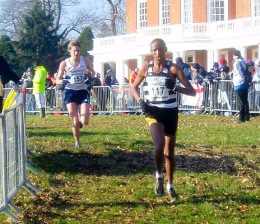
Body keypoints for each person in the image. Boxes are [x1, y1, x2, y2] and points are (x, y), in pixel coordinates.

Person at [131, 38, 196, 201]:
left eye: (160, 49)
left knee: (169, 153)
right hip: (153, 112)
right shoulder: (146, 68)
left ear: (165, 50)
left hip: (170, 112)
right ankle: (159, 175)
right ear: (151, 51)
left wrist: (176, 87)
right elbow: (133, 86)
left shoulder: (173, 68)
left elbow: (192, 91)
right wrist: (140, 102)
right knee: (159, 146)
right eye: (154, 50)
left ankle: (171, 185)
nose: (157, 53)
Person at [56, 40, 95, 148]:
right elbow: (57, 79)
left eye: (78, 50)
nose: (76, 53)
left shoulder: (85, 60)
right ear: (70, 51)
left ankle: (80, 123)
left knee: (85, 121)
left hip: (82, 91)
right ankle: (77, 142)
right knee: (74, 119)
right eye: (74, 51)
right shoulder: (64, 63)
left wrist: (89, 77)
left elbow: (93, 72)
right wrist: (62, 82)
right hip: (70, 92)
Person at [232, 49, 250, 122]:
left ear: (236, 56)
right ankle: (247, 117)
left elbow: (241, 72)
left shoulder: (237, 63)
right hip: (245, 84)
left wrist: (243, 79)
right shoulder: (244, 62)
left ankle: (241, 118)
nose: (233, 57)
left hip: (239, 83)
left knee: (241, 102)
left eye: (233, 55)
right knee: (245, 101)